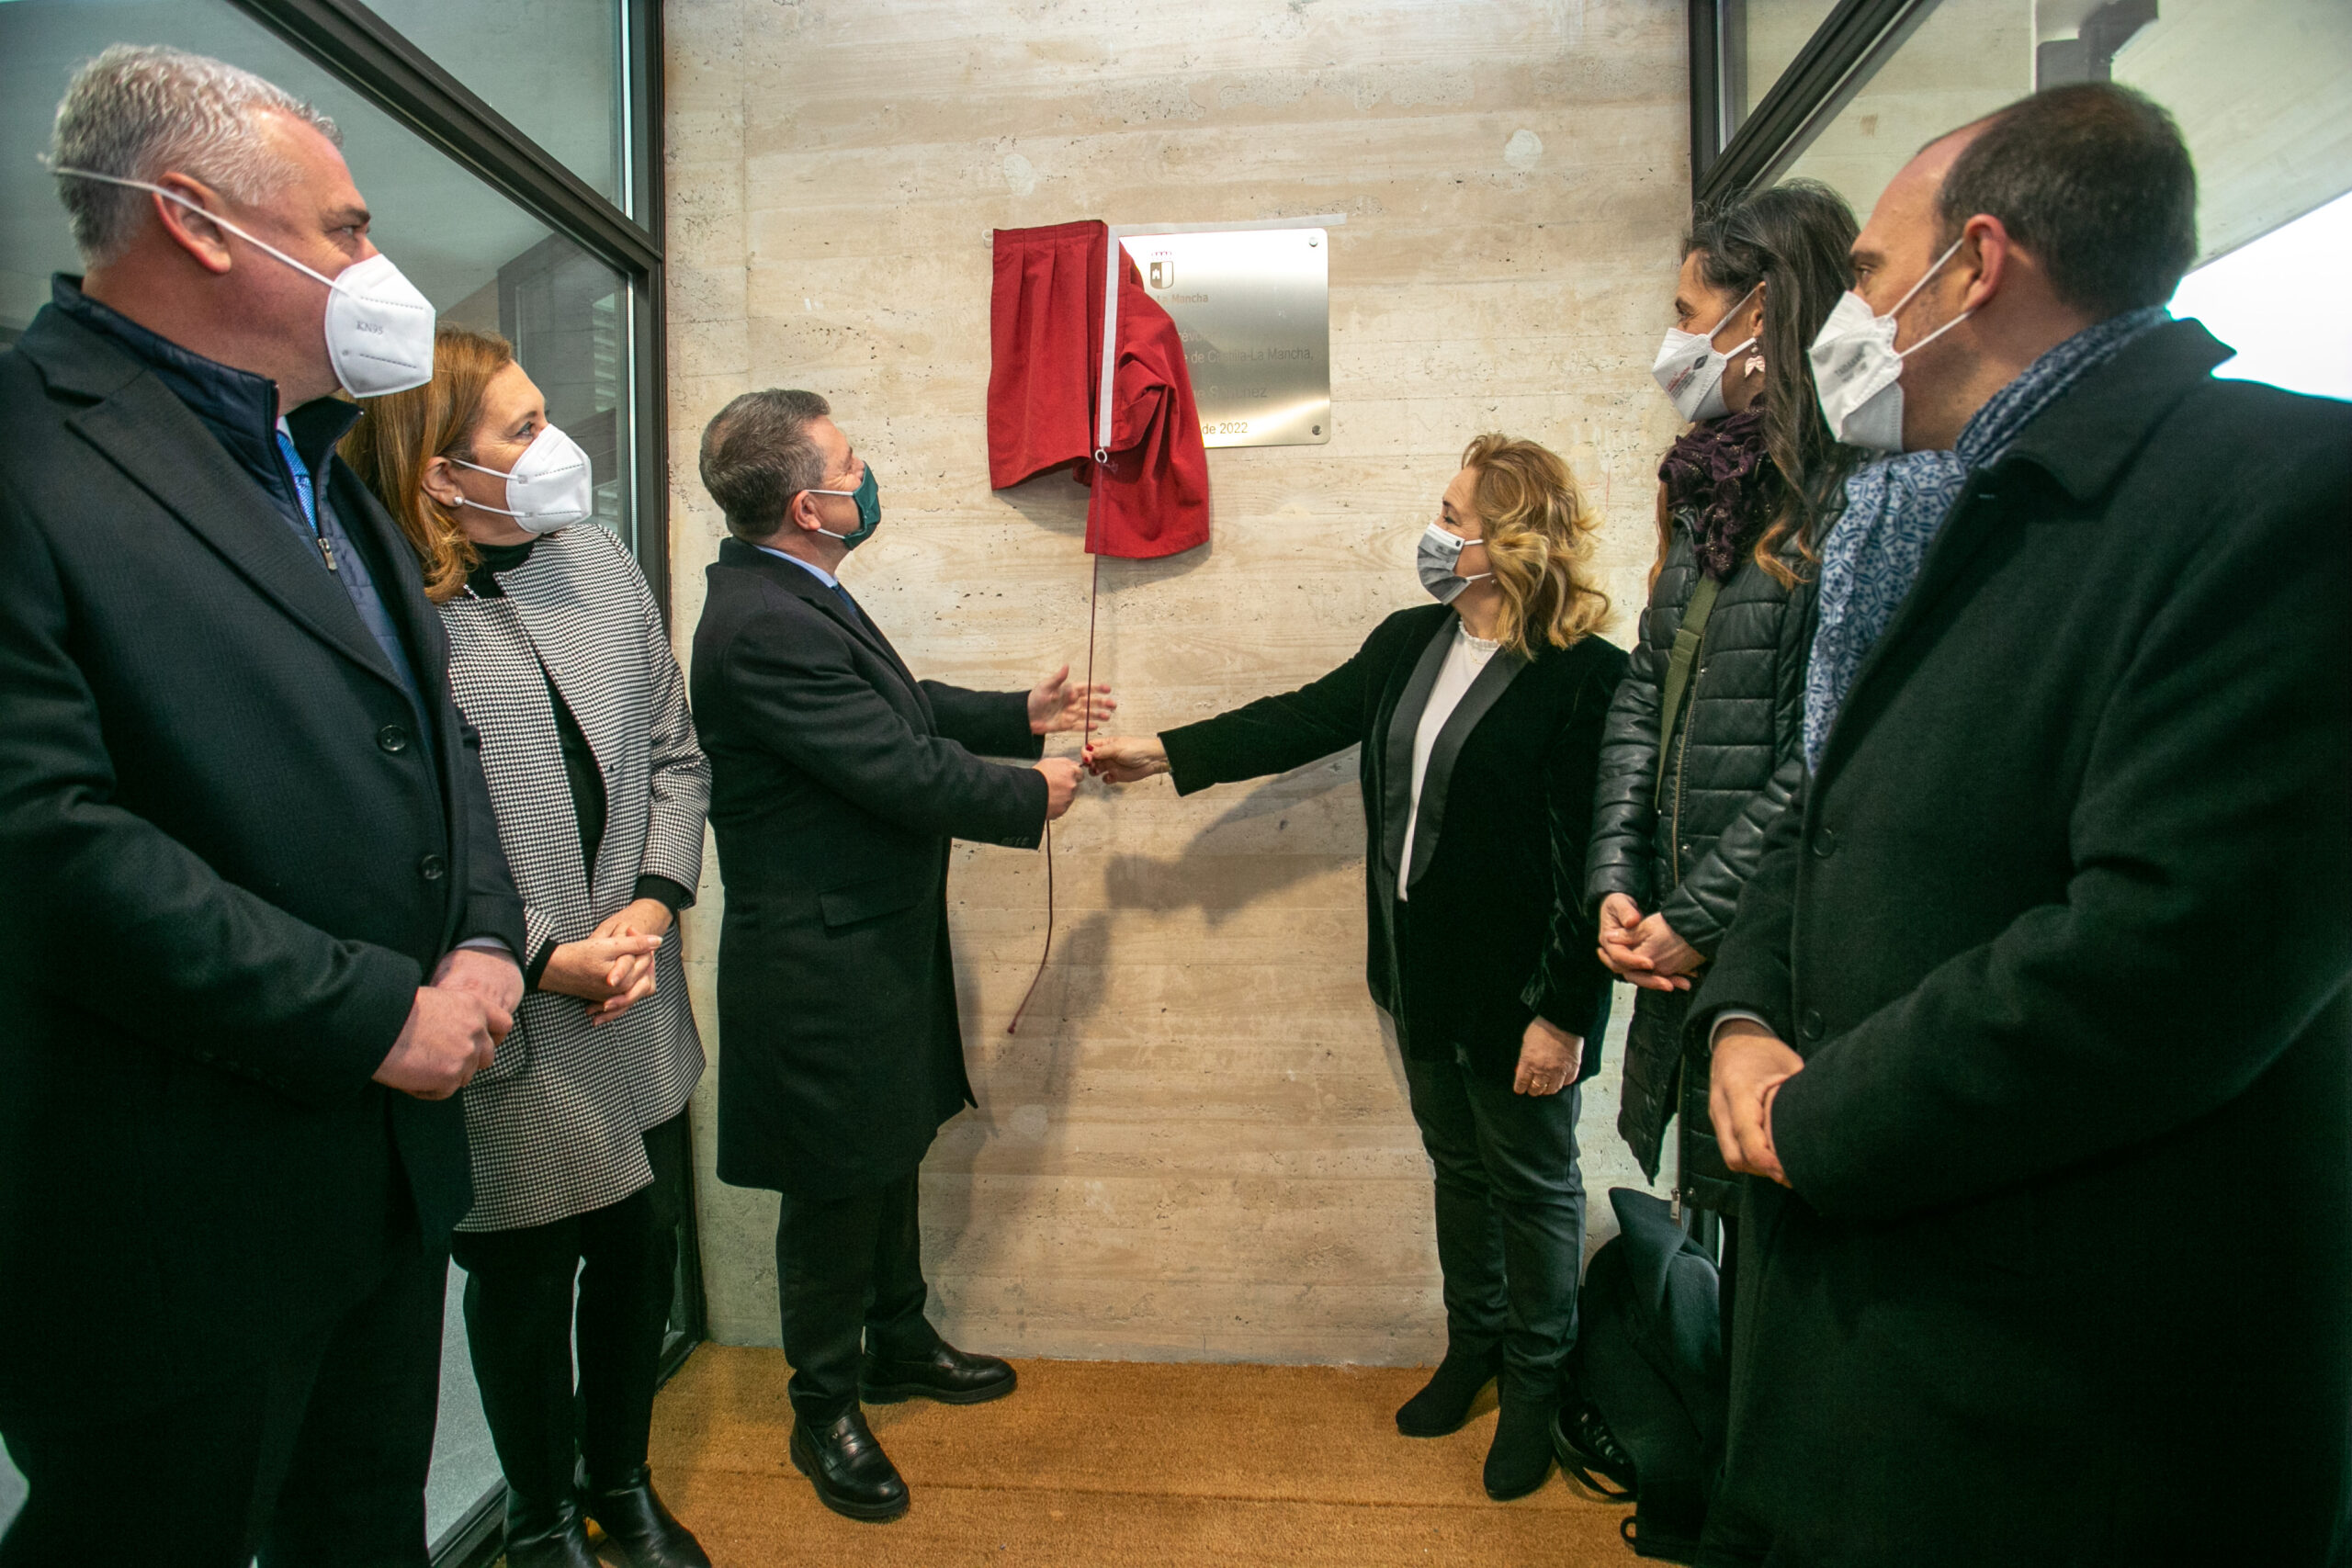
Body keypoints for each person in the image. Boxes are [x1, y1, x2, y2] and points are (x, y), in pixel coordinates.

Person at [1690, 84, 2351, 1565]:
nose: (1846, 317)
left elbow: (2170, 956)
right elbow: (1826, 805)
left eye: (1869, 273)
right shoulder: (1949, 496)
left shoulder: (2288, 490)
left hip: (2059, 1404)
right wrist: (1740, 1013)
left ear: (1976, 264)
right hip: (1862, 1351)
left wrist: (1812, 1115)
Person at [0, 46, 526, 1567]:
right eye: (346, 228)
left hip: (378, 1178)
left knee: (359, 1528)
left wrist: (486, 938)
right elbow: (41, 834)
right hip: (171, 1207)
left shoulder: (322, 465)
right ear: (195, 217)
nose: (376, 266)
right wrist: (374, 1014)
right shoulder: (33, 441)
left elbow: (434, 742)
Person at [1085, 435, 1626, 1501]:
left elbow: (1594, 864)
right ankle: (1473, 1347)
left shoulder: (1588, 677)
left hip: (1520, 994)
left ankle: (1535, 1384)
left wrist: (1562, 1014)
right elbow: (1306, 717)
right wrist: (1164, 751)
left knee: (1532, 1187)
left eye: (1452, 517)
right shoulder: (1410, 640)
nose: (1434, 532)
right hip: (1416, 973)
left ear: (1508, 540)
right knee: (1458, 1169)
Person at [689, 389, 1106, 1523]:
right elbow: (896, 769)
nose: (864, 474)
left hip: (870, 940)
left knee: (889, 1145)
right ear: (805, 505)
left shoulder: (793, 590)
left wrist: (1018, 712)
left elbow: (896, 706)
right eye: (848, 462)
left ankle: (899, 1339)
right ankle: (823, 1404)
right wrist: (1029, 792)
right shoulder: (761, 623)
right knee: (836, 1182)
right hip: (818, 964)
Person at [343, 327, 715, 1568]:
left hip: (633, 986)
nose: (556, 445)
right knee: (524, 1274)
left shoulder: (596, 559)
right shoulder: (382, 601)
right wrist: (546, 954)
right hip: (510, 1004)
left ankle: (622, 1480)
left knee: (639, 1251)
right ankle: (541, 1514)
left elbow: (672, 752)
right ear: (440, 472)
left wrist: (650, 910)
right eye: (522, 427)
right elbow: (391, 828)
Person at [1583, 181, 1860, 1279]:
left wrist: (1697, 914)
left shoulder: (1849, 500)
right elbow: (1645, 693)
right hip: (1683, 937)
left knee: (1784, 1248)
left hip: (1781, 955)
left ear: (1762, 315)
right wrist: (1617, 877)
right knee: (1723, 1227)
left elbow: (1829, 746)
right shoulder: (1707, 492)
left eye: (1689, 314)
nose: (1676, 343)